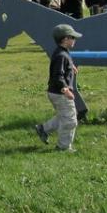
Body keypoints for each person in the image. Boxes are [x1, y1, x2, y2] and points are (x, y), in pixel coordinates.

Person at [35, 24, 82, 152]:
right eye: (72, 37)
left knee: (64, 116)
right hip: (60, 93)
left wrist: (71, 67)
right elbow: (57, 75)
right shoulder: (62, 55)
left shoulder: (62, 52)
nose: (75, 40)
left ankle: (43, 129)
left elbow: (62, 65)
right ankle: (63, 147)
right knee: (70, 120)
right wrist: (65, 89)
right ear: (65, 39)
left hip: (54, 92)